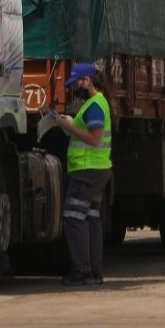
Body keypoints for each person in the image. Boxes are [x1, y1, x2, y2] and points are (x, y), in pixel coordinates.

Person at [53, 62, 113, 287]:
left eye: (76, 82)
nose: (74, 87)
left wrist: (68, 127)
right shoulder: (96, 103)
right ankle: (95, 272)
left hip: (88, 171)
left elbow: (94, 139)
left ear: (87, 80)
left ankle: (82, 270)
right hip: (97, 170)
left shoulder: (95, 105)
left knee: (74, 218)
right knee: (91, 218)